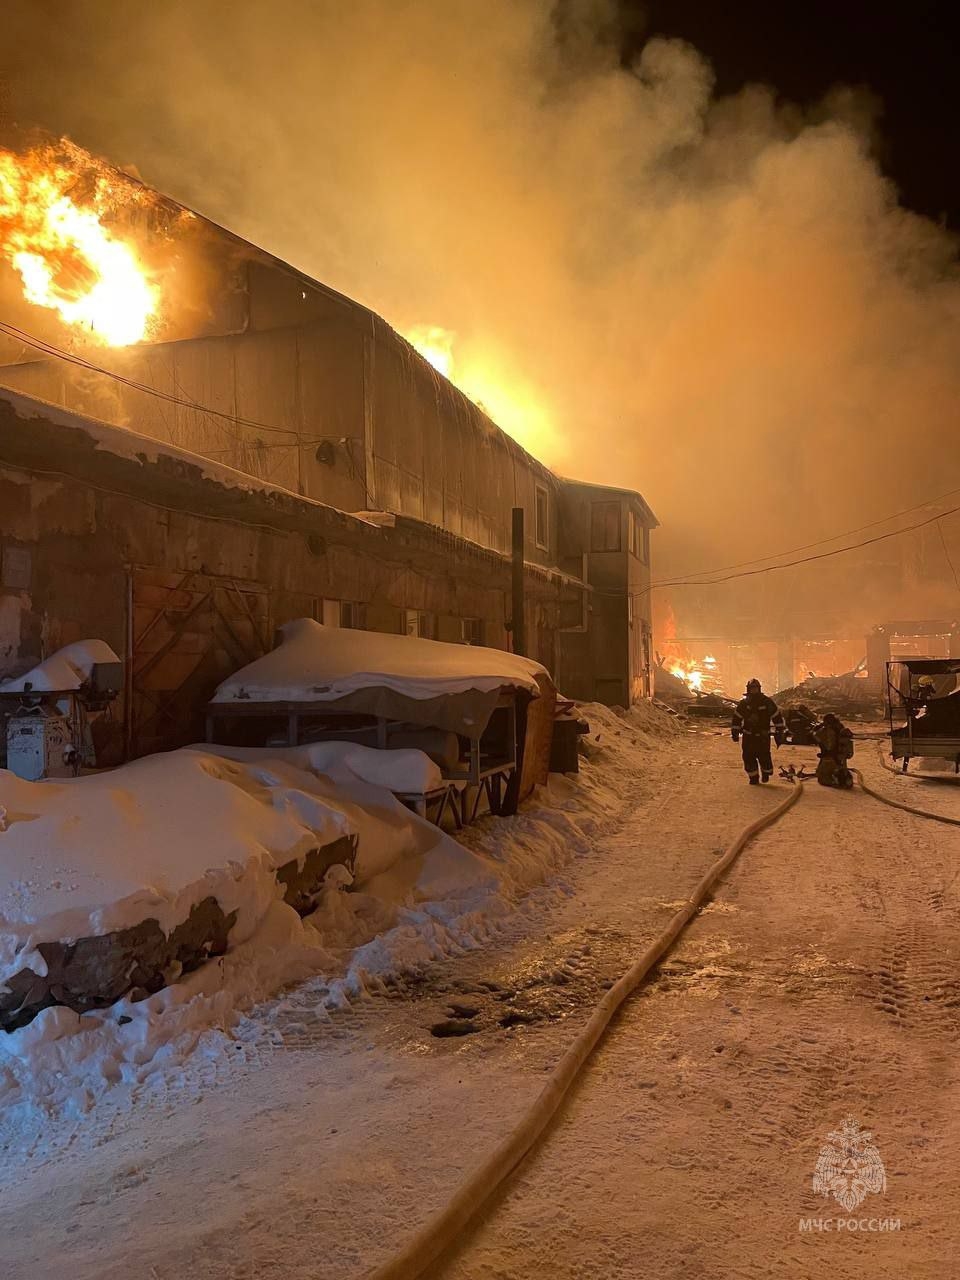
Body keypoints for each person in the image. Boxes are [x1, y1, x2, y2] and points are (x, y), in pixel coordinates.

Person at [731, 679, 785, 785]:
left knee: (764, 756)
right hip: (748, 735)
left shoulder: (767, 702)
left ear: (759, 689)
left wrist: (779, 731)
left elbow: (776, 716)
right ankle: (753, 778)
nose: (754, 690)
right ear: (748, 689)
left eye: (755, 688)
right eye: (752, 688)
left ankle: (766, 773)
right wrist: (735, 732)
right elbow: (736, 718)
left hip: (763, 736)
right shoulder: (744, 704)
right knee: (748, 757)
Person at [814, 713, 854, 788]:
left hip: (831, 757)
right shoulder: (840, 727)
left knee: (823, 776)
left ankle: (836, 779)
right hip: (840, 758)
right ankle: (842, 778)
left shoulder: (829, 730)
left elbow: (828, 745)